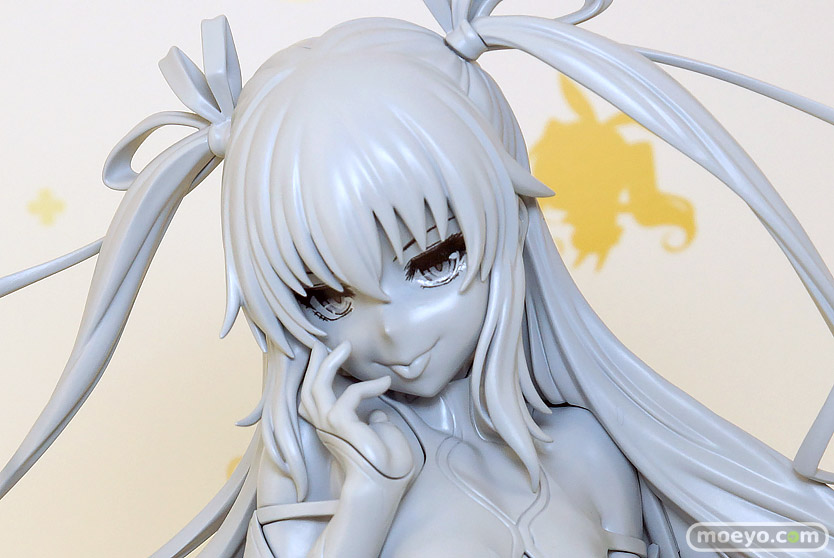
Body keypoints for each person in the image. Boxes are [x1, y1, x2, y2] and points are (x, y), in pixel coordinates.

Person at [2, 1, 833, 556]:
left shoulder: (588, 451)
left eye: (435, 261)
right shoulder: (315, 475)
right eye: (326, 298)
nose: (392, 335)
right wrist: (371, 497)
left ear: (509, 217)